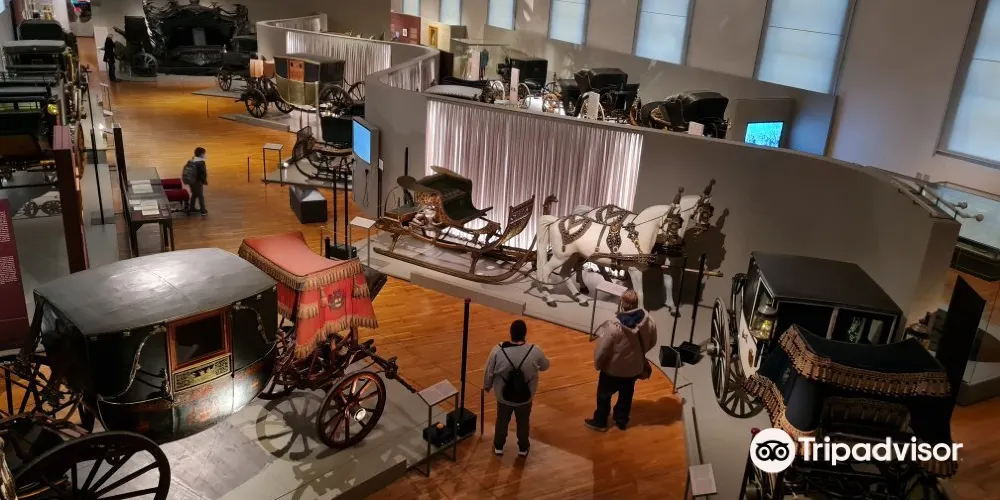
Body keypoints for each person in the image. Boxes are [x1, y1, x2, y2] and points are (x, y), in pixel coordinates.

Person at [585, 289, 657, 432]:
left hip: (613, 369)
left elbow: (603, 349)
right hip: (634, 368)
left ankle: (600, 421)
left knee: (604, 395)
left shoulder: (613, 326)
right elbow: (652, 341)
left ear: (622, 303)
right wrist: (638, 355)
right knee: (626, 395)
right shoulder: (649, 321)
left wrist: (598, 363)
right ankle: (621, 420)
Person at [483, 319, 550, 458]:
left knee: (502, 421)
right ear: (525, 334)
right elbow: (545, 366)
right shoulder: (535, 351)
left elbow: (489, 370)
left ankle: (498, 446)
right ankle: (523, 448)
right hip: (525, 397)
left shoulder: (498, 350)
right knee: (523, 422)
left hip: (503, 396)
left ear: (510, 333)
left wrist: (487, 385)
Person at [183, 147, 208, 215]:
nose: (205, 155)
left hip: (191, 180)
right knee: (200, 196)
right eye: (204, 154)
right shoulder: (201, 162)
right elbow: (203, 173)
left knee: (194, 194)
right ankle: (203, 210)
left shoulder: (191, 160)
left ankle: (192, 207)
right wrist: (204, 181)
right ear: (201, 154)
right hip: (197, 181)